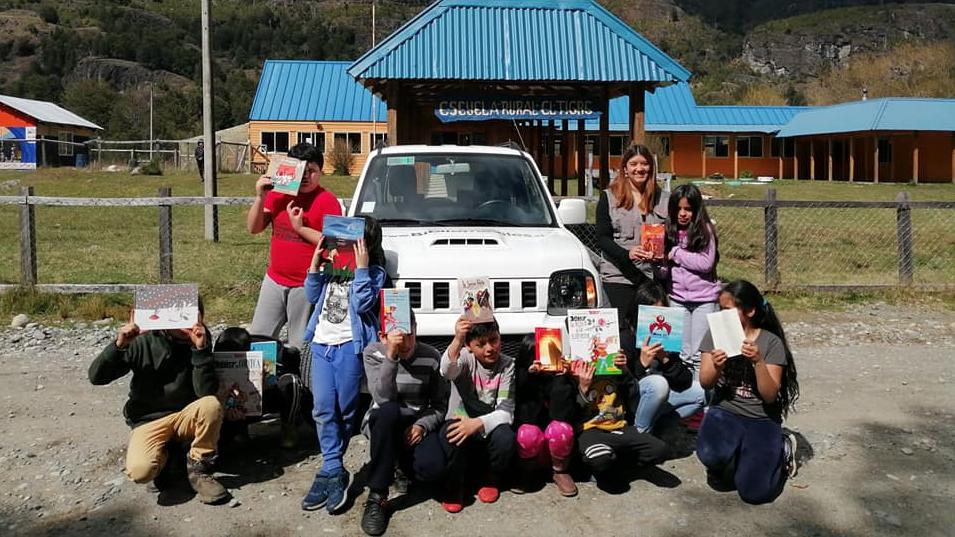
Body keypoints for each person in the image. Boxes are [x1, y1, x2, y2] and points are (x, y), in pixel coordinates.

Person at [87, 302, 229, 505]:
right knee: (140, 472)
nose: (187, 323)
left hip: (185, 415)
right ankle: (168, 458)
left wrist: (200, 349)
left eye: (193, 315)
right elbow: (96, 377)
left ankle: (198, 467)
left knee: (210, 405)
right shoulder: (143, 340)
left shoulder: (199, 336)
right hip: (149, 419)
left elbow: (204, 391)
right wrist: (119, 345)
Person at [301, 217, 388, 515]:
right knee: (323, 407)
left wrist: (362, 266)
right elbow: (311, 296)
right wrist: (315, 264)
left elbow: (363, 303)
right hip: (322, 345)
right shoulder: (331, 268)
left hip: (349, 348)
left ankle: (331, 466)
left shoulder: (374, 272)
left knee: (346, 408)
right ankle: (333, 468)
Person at [696, 280, 800, 505]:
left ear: (750, 311)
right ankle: (732, 455)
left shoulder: (770, 342)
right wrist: (717, 365)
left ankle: (780, 450)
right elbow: (705, 382)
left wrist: (758, 362)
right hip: (725, 410)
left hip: (761, 417)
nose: (721, 315)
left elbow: (770, 395)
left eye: (727, 310)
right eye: (720, 309)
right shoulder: (715, 334)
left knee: (755, 493)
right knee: (710, 455)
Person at [358, 309, 448, 536]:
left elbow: (439, 404)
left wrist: (422, 425)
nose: (405, 342)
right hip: (383, 421)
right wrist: (391, 356)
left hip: (414, 422)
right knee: (388, 412)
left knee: (432, 469)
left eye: (409, 334)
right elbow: (383, 398)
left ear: (416, 330)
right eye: (397, 336)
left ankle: (399, 464)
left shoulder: (431, 356)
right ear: (382, 336)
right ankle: (377, 495)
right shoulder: (373, 353)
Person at [414, 317, 516, 514]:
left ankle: (489, 476)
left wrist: (477, 423)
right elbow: (446, 370)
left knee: (506, 437)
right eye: (480, 344)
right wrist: (457, 339)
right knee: (454, 432)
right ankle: (455, 484)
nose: (489, 348)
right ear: (469, 346)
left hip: (485, 425)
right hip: (459, 421)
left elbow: (506, 412)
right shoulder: (464, 359)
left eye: (494, 340)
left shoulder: (507, 365)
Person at [247, 142, 341, 351]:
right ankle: (264, 382)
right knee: (258, 339)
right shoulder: (278, 194)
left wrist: (300, 228)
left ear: (321, 171)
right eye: (302, 170)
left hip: (305, 284)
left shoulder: (328, 202)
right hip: (274, 279)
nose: (307, 176)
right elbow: (254, 228)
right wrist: (260, 197)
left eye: (312, 171)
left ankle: (298, 382)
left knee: (300, 344)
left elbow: (337, 248)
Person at [571, 347, 669, 489]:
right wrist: (583, 388)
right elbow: (568, 411)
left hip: (618, 426)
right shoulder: (574, 370)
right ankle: (599, 466)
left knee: (660, 450)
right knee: (601, 460)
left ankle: (614, 463)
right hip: (589, 430)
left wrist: (624, 371)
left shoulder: (612, 366)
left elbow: (632, 392)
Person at [596, 144, 668, 327]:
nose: (639, 169)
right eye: (633, 164)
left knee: (652, 334)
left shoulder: (665, 199)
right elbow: (602, 238)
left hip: (653, 278)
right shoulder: (609, 197)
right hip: (619, 277)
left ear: (651, 167)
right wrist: (626, 253)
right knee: (620, 333)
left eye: (644, 164)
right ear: (625, 169)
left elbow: (675, 234)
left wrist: (664, 251)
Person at [623, 282, 705, 434]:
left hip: (660, 399)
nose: (656, 320)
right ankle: (640, 433)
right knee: (658, 384)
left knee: (702, 393)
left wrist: (666, 360)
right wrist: (641, 364)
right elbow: (622, 386)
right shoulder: (626, 337)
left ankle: (657, 428)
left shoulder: (666, 338)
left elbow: (685, 381)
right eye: (650, 314)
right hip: (634, 400)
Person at [213, 327, 310, 449]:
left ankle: (288, 426)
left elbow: (291, 372)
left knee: (291, 383)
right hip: (230, 409)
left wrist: (265, 381)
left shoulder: (272, 354)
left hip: (261, 399)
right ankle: (239, 431)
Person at [512, 334, 578, 497]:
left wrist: (560, 378)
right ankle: (527, 472)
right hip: (529, 452)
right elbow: (525, 418)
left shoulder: (561, 379)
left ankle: (560, 472)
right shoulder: (519, 378)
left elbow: (561, 415)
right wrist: (530, 377)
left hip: (556, 453)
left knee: (561, 429)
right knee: (527, 431)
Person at [664, 183, 721, 373]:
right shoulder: (667, 232)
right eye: (678, 209)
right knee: (681, 352)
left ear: (696, 210)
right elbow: (664, 270)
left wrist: (676, 253)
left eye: (688, 209)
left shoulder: (706, 231)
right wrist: (659, 261)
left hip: (704, 299)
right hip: (677, 298)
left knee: (699, 353)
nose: (682, 214)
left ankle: (701, 394)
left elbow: (706, 264)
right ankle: (685, 395)